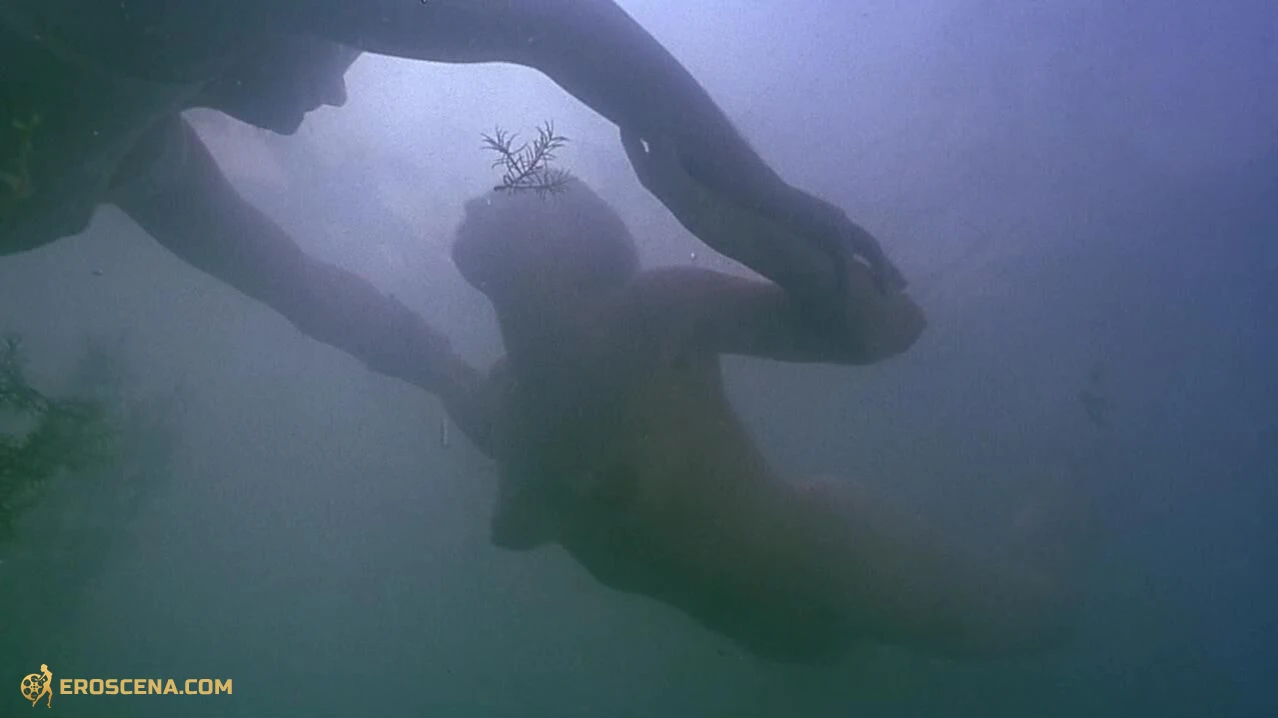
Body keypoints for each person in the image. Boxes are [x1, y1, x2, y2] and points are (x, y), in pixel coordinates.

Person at [413, 133, 1083, 663]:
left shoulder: (652, 316)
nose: (478, 203)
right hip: (775, 641)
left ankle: (1078, 461)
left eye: (512, 196)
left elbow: (894, 328)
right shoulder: (506, 403)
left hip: (839, 564)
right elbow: (396, 347)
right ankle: (1059, 490)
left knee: (1047, 617)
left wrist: (714, 213)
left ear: (570, 243)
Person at [1, 2, 903, 375]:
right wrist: (759, 186)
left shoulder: (135, 158)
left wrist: (453, 384)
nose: (338, 92)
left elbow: (303, 292)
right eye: (346, 42)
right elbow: (552, 24)